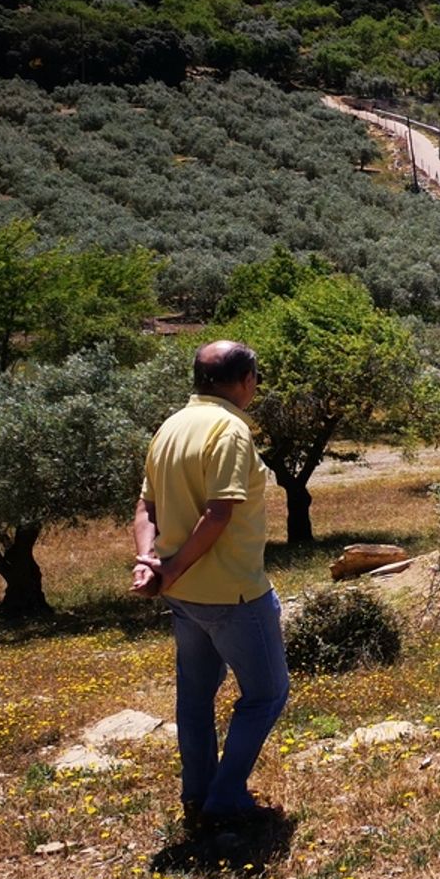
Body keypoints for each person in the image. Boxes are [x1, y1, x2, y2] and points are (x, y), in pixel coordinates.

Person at [132, 340, 287, 834]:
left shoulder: (170, 427)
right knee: (267, 694)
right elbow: (219, 512)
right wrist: (168, 568)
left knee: (195, 698)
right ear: (246, 380)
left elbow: (145, 508)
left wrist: (149, 561)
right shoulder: (230, 429)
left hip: (184, 597)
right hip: (232, 591)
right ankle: (224, 799)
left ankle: (198, 792)